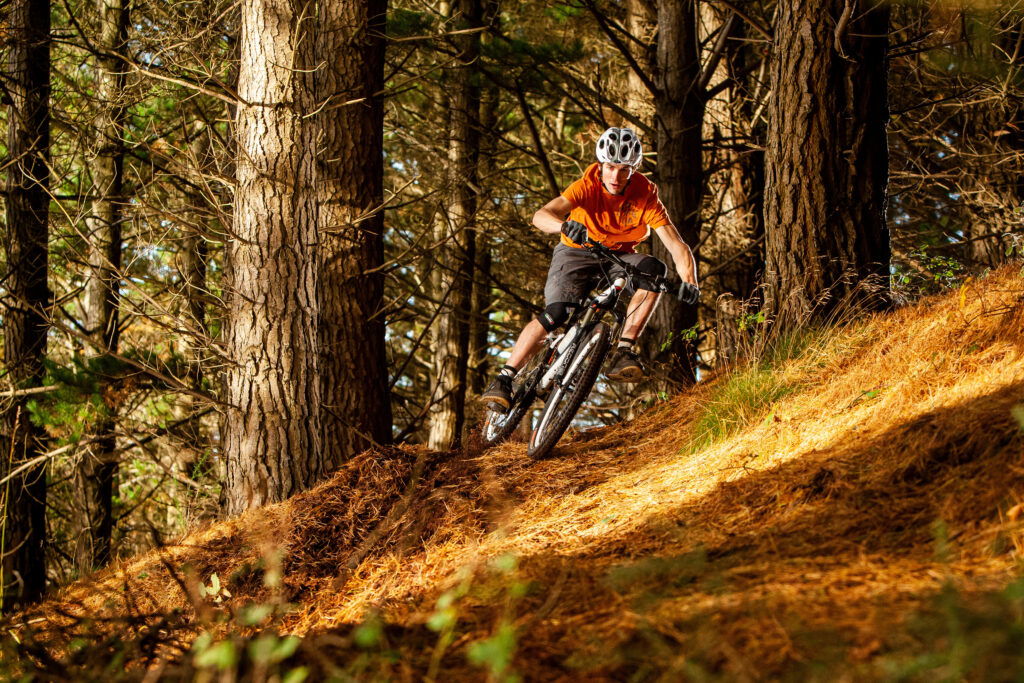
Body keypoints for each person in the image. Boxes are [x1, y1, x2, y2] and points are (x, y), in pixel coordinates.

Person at [481, 126, 699, 411]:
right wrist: (563, 226)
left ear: (633, 169)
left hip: (618, 256)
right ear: (601, 165)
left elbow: (675, 243)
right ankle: (504, 378)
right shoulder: (587, 185)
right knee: (557, 314)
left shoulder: (645, 193)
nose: (616, 177)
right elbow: (540, 216)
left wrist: (689, 281)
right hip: (576, 252)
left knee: (653, 271)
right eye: (610, 167)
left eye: (624, 170)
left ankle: (624, 351)